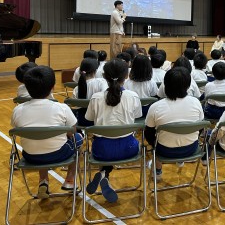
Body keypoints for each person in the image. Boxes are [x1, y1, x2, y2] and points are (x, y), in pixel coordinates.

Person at [11, 66, 82, 198]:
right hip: (58, 154)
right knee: (78, 138)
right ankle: (70, 180)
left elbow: (17, 130)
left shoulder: (18, 110)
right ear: (53, 87)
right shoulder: (62, 108)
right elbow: (72, 131)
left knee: (39, 140)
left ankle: (43, 180)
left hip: (30, 156)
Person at [84, 58, 142, 203]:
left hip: (101, 150)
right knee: (119, 141)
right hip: (129, 149)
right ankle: (104, 174)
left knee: (105, 143)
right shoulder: (133, 96)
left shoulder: (96, 98)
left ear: (103, 76)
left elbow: (88, 119)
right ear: (126, 76)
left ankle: (104, 172)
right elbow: (137, 117)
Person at [144, 67, 204, 181]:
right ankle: (179, 159)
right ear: (188, 85)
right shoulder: (196, 103)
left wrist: (154, 144)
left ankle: (157, 171)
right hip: (191, 148)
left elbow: (148, 133)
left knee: (155, 143)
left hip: (164, 149)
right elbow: (200, 127)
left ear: (165, 85)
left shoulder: (156, 107)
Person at [72, 58, 107, 126]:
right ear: (95, 71)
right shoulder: (101, 82)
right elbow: (106, 98)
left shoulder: (76, 89)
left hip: (82, 121)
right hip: (98, 119)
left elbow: (75, 105)